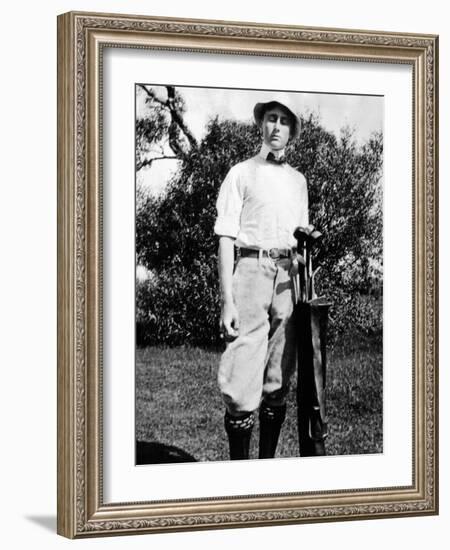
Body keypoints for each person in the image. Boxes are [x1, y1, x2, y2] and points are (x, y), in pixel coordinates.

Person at [214, 96, 308, 460]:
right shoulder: (241, 172)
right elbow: (225, 236)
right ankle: (240, 469)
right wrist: (227, 300)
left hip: (288, 277)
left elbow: (299, 236)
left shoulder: (298, 182)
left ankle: (265, 468)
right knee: (240, 380)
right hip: (250, 271)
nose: (276, 127)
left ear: (292, 131)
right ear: (261, 124)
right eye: (271, 118)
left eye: (284, 121)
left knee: (278, 377)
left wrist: (299, 262)